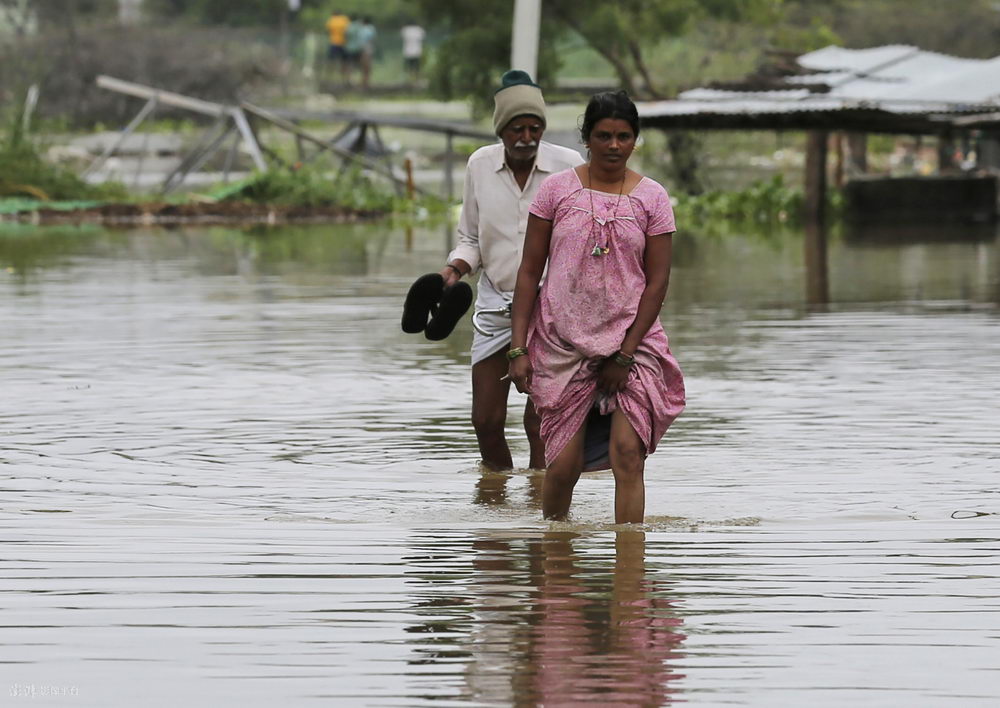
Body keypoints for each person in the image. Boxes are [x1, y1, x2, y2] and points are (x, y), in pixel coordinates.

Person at [508, 91, 686, 524]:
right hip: (561, 344)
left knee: (628, 455)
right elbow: (530, 273)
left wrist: (625, 354)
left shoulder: (653, 198)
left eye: (623, 136)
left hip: (633, 343)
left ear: (634, 141)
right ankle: (554, 563)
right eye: (603, 136)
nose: (613, 145)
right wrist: (517, 349)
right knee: (562, 467)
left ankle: (629, 576)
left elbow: (657, 282)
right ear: (586, 138)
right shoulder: (556, 191)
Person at [441, 70, 584, 472]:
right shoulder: (480, 166)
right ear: (501, 131)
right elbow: (470, 237)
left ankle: (542, 508)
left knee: (539, 421)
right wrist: (454, 269)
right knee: (485, 421)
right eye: (517, 128)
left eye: (534, 127)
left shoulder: (568, 165)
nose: (526, 137)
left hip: (551, 307)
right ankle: (497, 497)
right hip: (495, 303)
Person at [324, 10, 350, 83]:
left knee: (331, 62)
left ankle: (328, 78)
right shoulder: (345, 19)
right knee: (344, 62)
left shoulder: (331, 20)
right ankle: (345, 79)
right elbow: (347, 31)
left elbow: (328, 30)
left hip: (333, 43)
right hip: (343, 43)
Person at [400, 21, 426, 86]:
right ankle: (416, 80)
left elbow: (402, 37)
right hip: (417, 51)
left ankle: (411, 80)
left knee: (409, 67)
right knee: (417, 67)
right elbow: (423, 38)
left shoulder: (405, 30)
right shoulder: (419, 29)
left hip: (408, 51)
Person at [357, 16, 377, 91]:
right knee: (367, 66)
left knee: (364, 66)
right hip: (368, 48)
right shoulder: (371, 28)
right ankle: (366, 81)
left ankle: (364, 81)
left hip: (364, 49)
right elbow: (373, 39)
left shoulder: (363, 29)